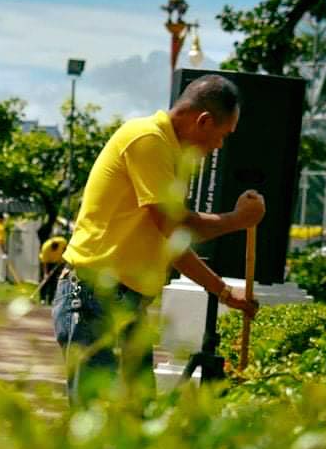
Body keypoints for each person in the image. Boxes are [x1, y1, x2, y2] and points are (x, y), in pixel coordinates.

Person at [52, 74, 264, 403]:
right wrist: (237, 220)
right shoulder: (148, 139)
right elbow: (174, 225)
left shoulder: (169, 156)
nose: (219, 146)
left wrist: (223, 292)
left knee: (135, 418)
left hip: (124, 302)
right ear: (204, 121)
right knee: (98, 419)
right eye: (222, 135)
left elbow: (173, 245)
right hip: (93, 296)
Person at [38, 233, 68, 305]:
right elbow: (44, 262)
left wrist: (64, 257)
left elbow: (66, 248)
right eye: (53, 249)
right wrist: (45, 273)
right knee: (44, 280)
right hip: (46, 263)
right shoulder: (46, 247)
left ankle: (51, 299)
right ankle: (42, 298)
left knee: (54, 281)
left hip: (57, 262)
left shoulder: (62, 241)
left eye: (56, 249)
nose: (54, 250)